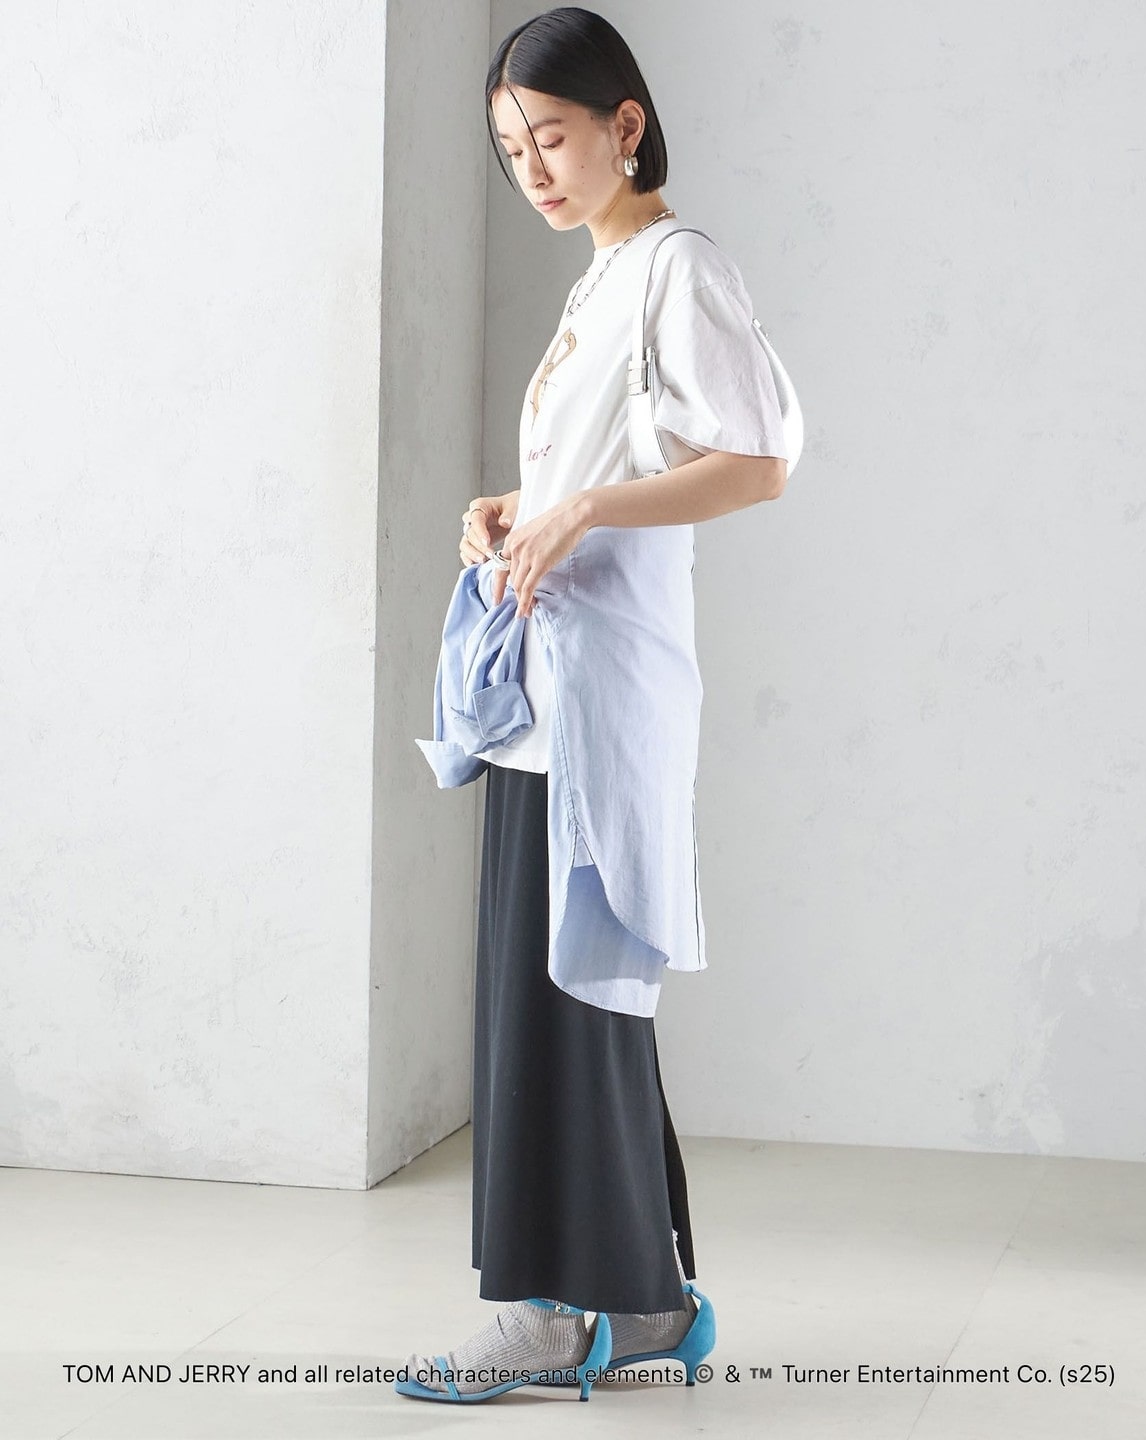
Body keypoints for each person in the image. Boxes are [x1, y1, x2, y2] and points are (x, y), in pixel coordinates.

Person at [396, 5, 796, 1405]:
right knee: (561, 998)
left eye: (553, 138)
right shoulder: (604, 279)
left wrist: (585, 511)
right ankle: (641, 1303)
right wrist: (526, 507)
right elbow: (618, 458)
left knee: (569, 997)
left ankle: (549, 1317)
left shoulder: (679, 267)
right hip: (548, 690)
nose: (535, 170)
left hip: (604, 693)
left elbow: (758, 461)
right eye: (512, 150)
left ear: (627, 123)